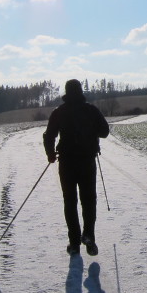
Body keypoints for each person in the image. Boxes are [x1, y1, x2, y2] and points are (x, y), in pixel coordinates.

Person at [43, 79, 109, 256]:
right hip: (87, 161)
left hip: (67, 163)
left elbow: (49, 135)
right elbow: (105, 132)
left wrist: (50, 154)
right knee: (89, 200)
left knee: (70, 202)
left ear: (66, 92)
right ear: (81, 91)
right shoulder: (91, 110)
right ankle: (89, 237)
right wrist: (92, 129)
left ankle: (73, 243)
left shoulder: (59, 112)